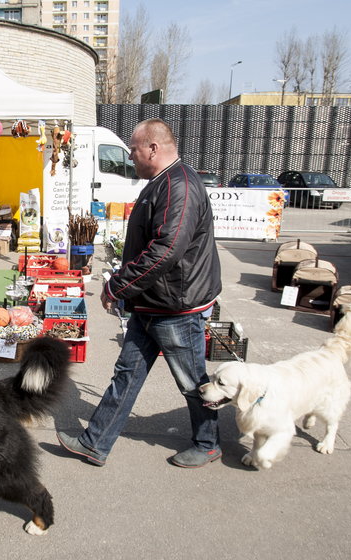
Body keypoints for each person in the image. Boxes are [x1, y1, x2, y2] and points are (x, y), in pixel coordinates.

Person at [56, 118, 223, 468]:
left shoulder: (180, 186)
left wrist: (118, 285)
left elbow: (167, 249)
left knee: (192, 381)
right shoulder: (161, 182)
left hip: (175, 305)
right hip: (153, 301)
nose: (130, 156)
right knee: (127, 374)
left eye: (133, 149)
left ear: (153, 148)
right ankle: (95, 442)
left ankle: (208, 443)